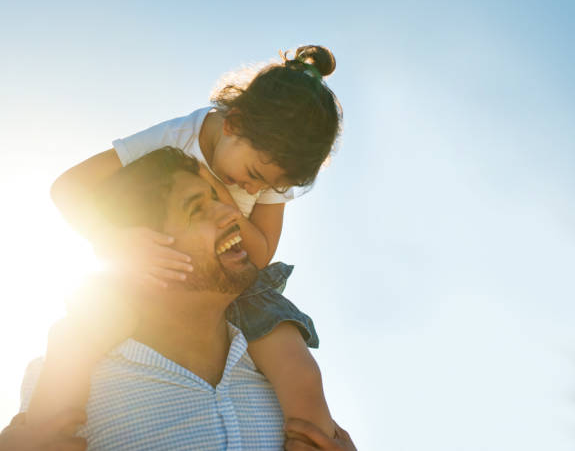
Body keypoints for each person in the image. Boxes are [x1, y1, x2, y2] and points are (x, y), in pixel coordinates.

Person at [48, 45, 343, 438]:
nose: (255, 188)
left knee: (298, 365)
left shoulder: (269, 171)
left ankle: (316, 439)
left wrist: (221, 200)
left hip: (244, 281)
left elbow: (260, 253)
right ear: (233, 124)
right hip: (159, 269)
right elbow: (69, 187)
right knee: (85, 327)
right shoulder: (176, 136)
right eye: (253, 173)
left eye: (271, 187)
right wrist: (113, 239)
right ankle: (42, 428)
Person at [15, 148, 356, 450]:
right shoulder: (69, 375)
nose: (231, 214)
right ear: (143, 249)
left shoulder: (279, 371)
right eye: (196, 210)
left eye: (217, 199)